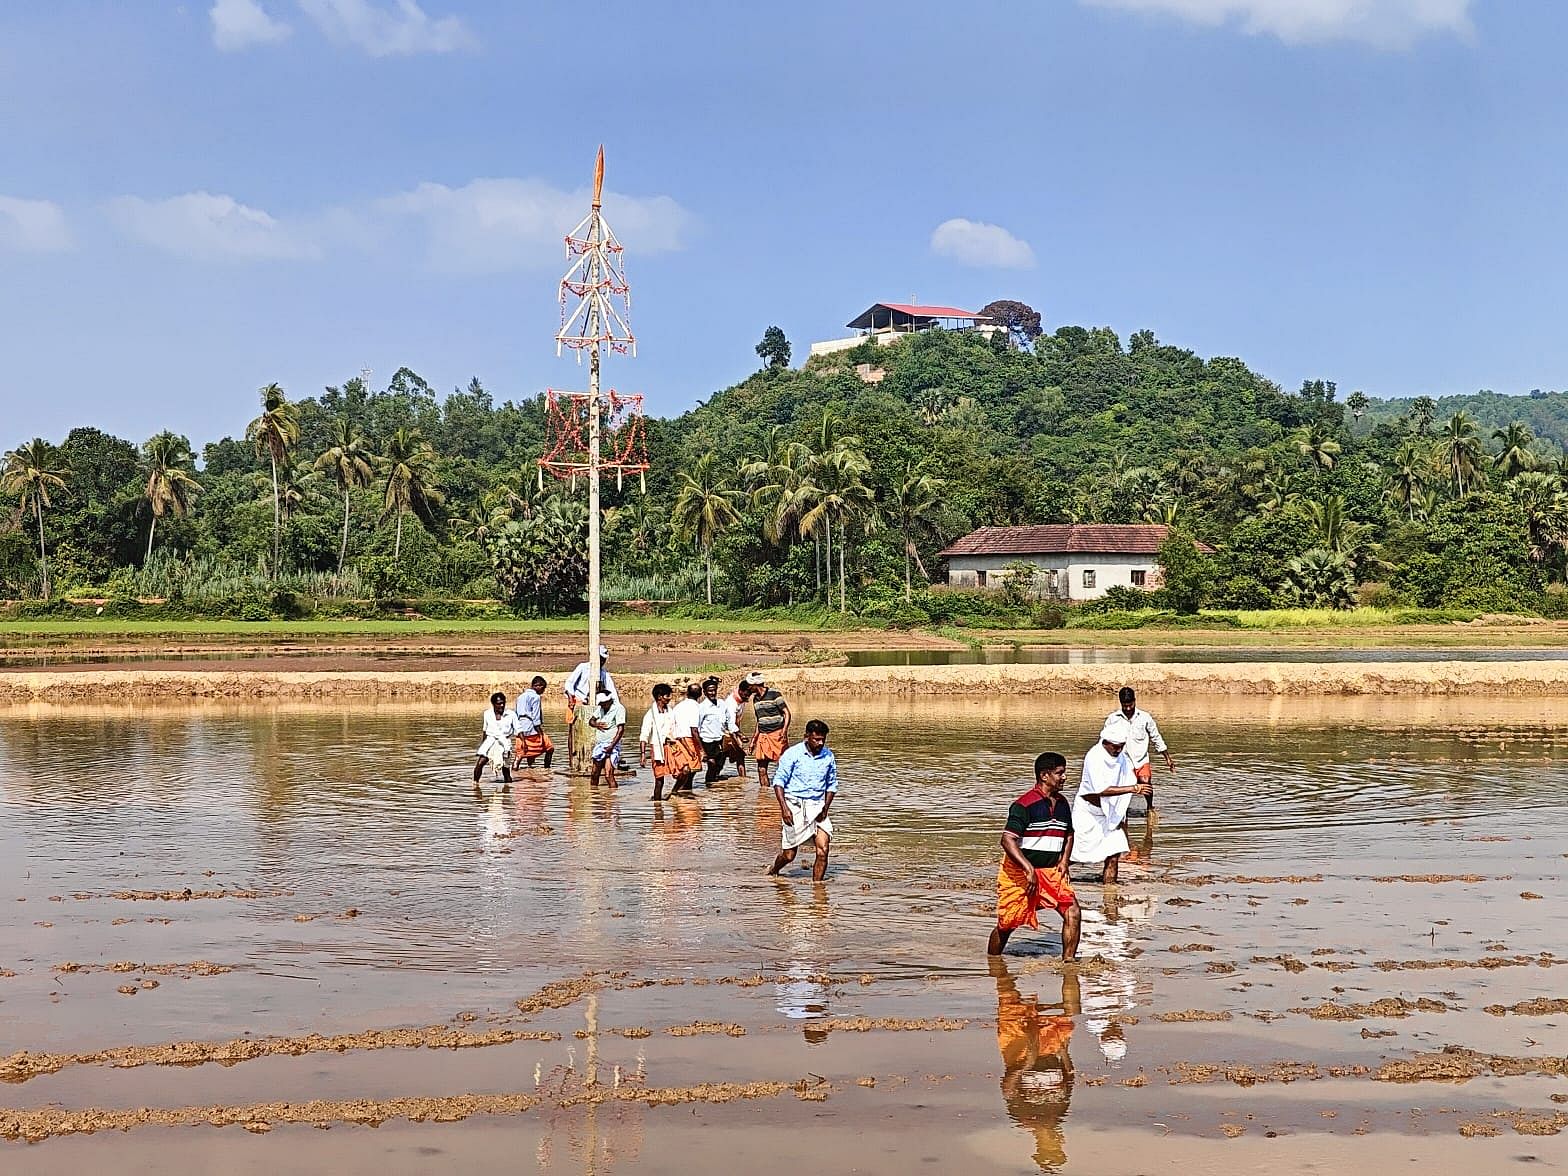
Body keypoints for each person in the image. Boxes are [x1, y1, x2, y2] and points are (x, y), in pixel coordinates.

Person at [989, 752, 1081, 960]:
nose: (1064, 777)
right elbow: (1007, 840)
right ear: (1044, 776)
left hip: (1052, 871)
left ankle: (1069, 962)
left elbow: (1069, 834)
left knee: (1073, 911)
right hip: (1020, 873)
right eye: (1060, 773)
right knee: (1007, 925)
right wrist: (1028, 868)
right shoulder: (1024, 805)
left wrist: (1065, 861)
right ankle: (993, 964)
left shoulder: (1063, 804)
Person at [992, 957, 1078, 1172]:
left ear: (1040, 1145)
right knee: (1070, 1005)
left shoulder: (1023, 1117)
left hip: (1021, 1047)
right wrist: (1064, 1052)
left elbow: (1007, 1087)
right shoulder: (1059, 1113)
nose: (1058, 1141)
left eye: (1053, 1146)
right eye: (1057, 1145)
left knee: (1009, 1001)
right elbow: (1070, 1079)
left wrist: (1027, 1064)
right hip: (1050, 1046)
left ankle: (998, 967)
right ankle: (1000, 963)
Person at [1070, 716, 1150, 885]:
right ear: (1106, 742)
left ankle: (1110, 896)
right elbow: (1102, 790)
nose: (1118, 750)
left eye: (1121, 747)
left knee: (1113, 854)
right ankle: (1050, 876)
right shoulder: (1094, 757)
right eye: (1115, 747)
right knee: (1076, 854)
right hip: (1089, 812)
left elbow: (1127, 777)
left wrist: (1121, 815)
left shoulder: (1121, 757)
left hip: (1111, 813)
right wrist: (1134, 788)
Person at [766, 719, 837, 883]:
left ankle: (818, 890)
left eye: (822, 740)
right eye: (816, 739)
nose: (820, 743)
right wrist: (784, 809)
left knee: (823, 850)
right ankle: (774, 870)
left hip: (818, 806)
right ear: (806, 736)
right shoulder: (793, 754)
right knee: (789, 855)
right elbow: (778, 783)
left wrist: (825, 808)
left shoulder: (828, 756)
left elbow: (832, 785)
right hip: (794, 805)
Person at [1110, 686, 1173, 828]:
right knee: (1125, 790)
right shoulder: (1113, 719)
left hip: (1141, 759)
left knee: (1146, 782)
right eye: (1124, 706)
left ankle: (1150, 808)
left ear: (1135, 701)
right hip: (1123, 761)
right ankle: (1123, 814)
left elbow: (1156, 738)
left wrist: (1167, 758)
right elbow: (1105, 740)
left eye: (1130, 705)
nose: (1127, 709)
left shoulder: (1145, 718)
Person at [562, 646, 617, 757]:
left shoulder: (604, 674)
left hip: (593, 706)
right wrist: (570, 697)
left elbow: (612, 692)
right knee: (572, 732)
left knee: (594, 732)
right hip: (577, 701)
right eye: (600, 658)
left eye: (604, 659)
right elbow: (569, 684)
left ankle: (594, 755)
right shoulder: (583, 667)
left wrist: (616, 708)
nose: (602, 662)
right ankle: (571, 757)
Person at [748, 671, 792, 792]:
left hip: (777, 734)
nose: (748, 687)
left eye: (749, 685)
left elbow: (787, 713)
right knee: (761, 768)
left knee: (784, 766)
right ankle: (764, 795)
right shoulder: (755, 699)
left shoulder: (774, 694)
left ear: (755, 684)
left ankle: (786, 792)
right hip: (763, 736)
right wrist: (753, 740)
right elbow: (759, 720)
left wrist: (784, 731)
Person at [639, 683, 679, 801]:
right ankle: (657, 807)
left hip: (672, 746)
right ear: (660, 697)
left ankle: (674, 793)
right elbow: (644, 735)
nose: (670, 698)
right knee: (659, 780)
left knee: (684, 770)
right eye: (667, 695)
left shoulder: (670, 711)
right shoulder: (650, 715)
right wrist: (642, 755)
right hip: (658, 749)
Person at [474, 691, 518, 786]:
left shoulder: (511, 714)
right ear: (493, 704)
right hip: (490, 741)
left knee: (505, 770)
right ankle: (475, 784)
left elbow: (518, 730)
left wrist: (523, 743)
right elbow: (485, 730)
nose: (501, 705)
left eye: (503, 703)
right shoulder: (487, 714)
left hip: (504, 743)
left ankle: (508, 790)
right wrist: (483, 744)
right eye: (499, 704)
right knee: (480, 763)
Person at [512, 675, 554, 769]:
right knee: (550, 748)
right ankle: (547, 769)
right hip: (531, 729)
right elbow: (535, 718)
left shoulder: (520, 697)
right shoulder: (535, 697)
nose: (543, 692)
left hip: (520, 729)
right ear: (538, 686)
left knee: (520, 754)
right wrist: (541, 734)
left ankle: (514, 772)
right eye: (543, 689)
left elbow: (516, 714)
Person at [668, 683, 703, 795]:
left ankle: (685, 792)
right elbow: (694, 730)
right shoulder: (697, 708)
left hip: (676, 739)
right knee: (689, 770)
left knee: (687, 770)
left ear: (687, 693)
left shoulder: (678, 706)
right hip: (689, 740)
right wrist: (702, 749)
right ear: (701, 694)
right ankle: (679, 792)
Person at [587, 687, 626, 788]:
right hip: (600, 745)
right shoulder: (600, 709)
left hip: (611, 745)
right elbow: (591, 721)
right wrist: (597, 725)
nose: (602, 706)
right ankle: (594, 797)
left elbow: (620, 730)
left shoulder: (618, 708)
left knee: (609, 775)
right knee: (594, 774)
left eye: (603, 704)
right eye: (600, 704)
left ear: (609, 701)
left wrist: (611, 746)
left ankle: (611, 800)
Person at [696, 676, 729, 785]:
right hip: (707, 740)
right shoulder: (702, 707)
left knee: (720, 764)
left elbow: (728, 721)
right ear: (705, 692)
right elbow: (697, 726)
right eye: (710, 691)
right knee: (712, 763)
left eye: (714, 690)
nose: (713, 693)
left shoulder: (722, 704)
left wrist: (737, 733)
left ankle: (714, 783)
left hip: (719, 738)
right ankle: (709, 783)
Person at [722, 679, 752, 782]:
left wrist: (739, 735)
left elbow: (737, 721)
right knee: (725, 756)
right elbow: (730, 725)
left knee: (739, 755)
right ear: (740, 691)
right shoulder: (731, 703)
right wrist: (740, 735)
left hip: (734, 731)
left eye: (749, 695)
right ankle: (712, 779)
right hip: (725, 732)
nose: (747, 697)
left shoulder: (741, 700)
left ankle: (742, 779)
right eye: (746, 695)